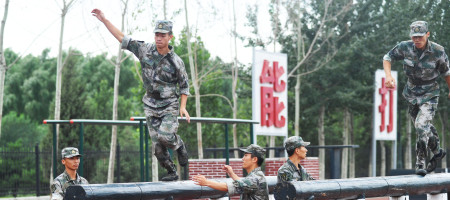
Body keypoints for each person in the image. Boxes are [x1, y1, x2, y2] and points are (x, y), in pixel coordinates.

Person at [92, 9, 191, 181]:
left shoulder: (176, 62)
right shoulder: (145, 50)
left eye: (162, 35)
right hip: (150, 104)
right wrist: (104, 20)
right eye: (156, 35)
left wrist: (182, 107)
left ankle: (179, 145)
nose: (158, 38)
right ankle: (171, 172)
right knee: (158, 148)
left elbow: (184, 86)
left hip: (169, 104)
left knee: (166, 136)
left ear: (170, 37)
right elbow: (122, 38)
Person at [383, 21, 450, 175]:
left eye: (420, 36)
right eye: (414, 37)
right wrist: (388, 76)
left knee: (421, 126)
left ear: (427, 34)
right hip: (411, 93)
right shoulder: (404, 47)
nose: (417, 40)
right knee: (423, 128)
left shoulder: (438, 51)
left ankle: (420, 164)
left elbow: (446, 72)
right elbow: (387, 57)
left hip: (430, 93)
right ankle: (438, 151)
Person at [192, 144, 269, 200]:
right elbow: (243, 183)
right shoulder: (256, 176)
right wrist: (232, 174)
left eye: (245, 155)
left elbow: (229, 187)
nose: (242, 159)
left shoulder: (255, 178)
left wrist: (206, 182)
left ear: (254, 159)